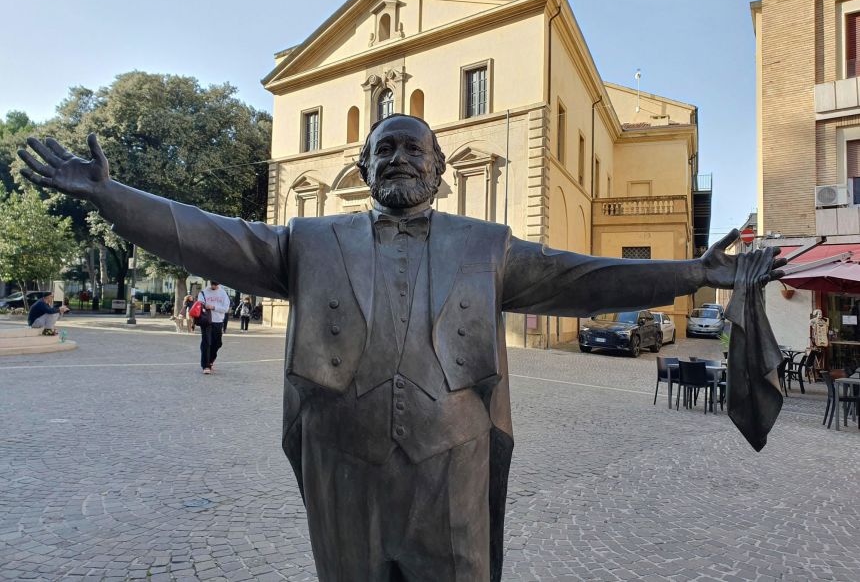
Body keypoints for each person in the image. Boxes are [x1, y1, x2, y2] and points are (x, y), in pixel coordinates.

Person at [19, 117, 786, 582]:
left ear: (440, 169)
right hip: (341, 464)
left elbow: (582, 276)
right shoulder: (308, 240)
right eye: (383, 152)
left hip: (451, 464)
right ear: (362, 170)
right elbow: (210, 236)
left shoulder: (485, 245)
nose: (398, 161)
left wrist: (698, 272)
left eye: (413, 149)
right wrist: (116, 199)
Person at [197, 280, 230, 374]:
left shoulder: (223, 293)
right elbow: (200, 305)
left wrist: (213, 307)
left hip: (218, 321)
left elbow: (225, 309)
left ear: (218, 284)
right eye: (212, 284)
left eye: (215, 285)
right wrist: (204, 306)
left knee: (218, 343)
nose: (213, 286)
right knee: (206, 342)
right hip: (206, 321)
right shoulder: (203, 292)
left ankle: (211, 360)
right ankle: (205, 365)